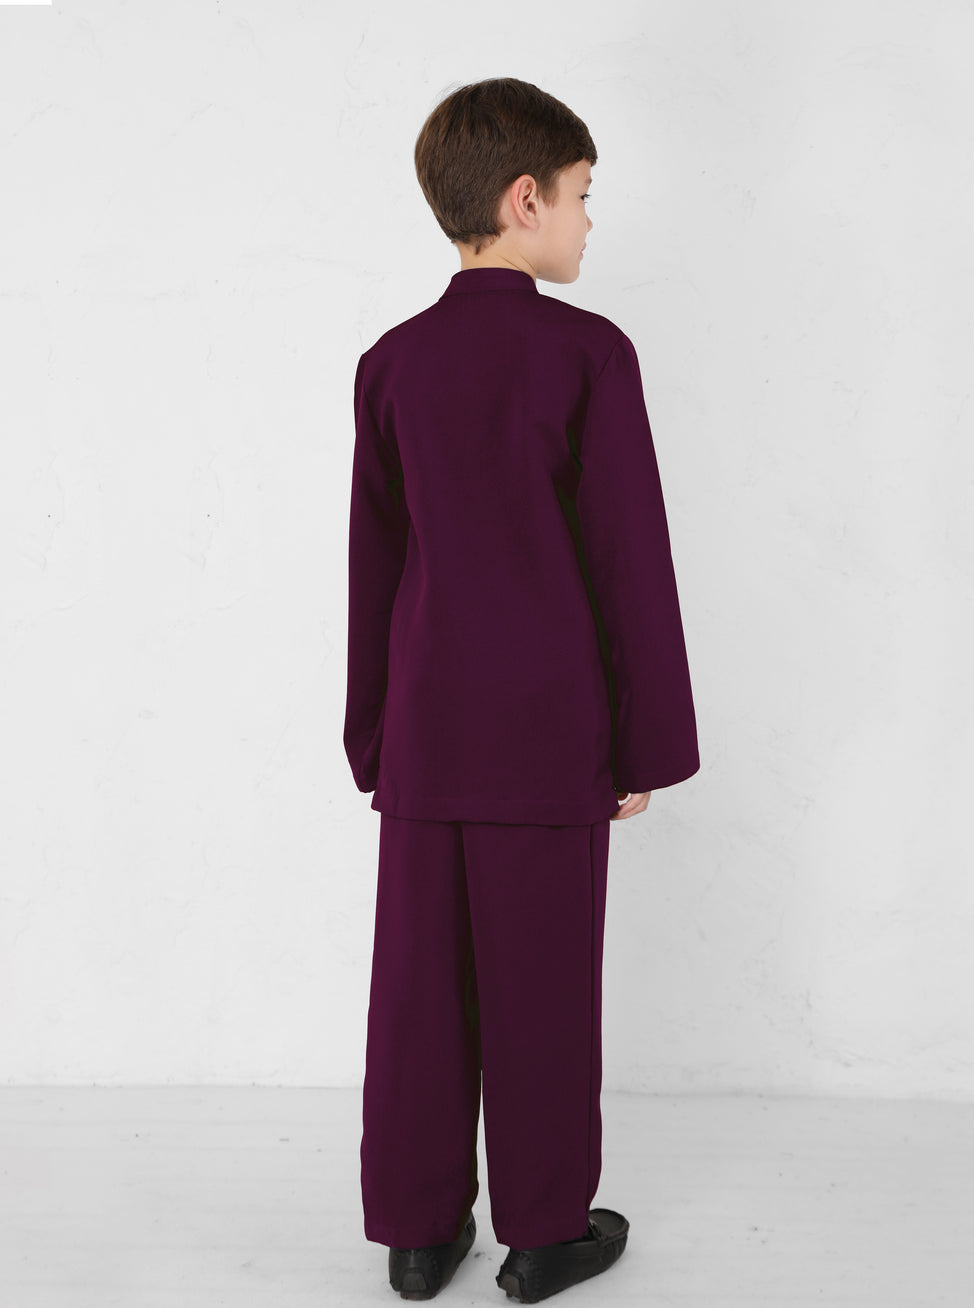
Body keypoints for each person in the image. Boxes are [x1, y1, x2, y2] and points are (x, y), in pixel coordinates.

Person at [344, 76, 700, 1302]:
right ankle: (545, 1232)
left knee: (419, 993)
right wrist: (643, 743)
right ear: (527, 197)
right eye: (586, 197)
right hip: (549, 734)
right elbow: (627, 557)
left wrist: (374, 736)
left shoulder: (391, 363)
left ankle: (417, 1233)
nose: (593, 222)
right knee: (541, 985)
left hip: (428, 731)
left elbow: (377, 566)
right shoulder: (589, 354)